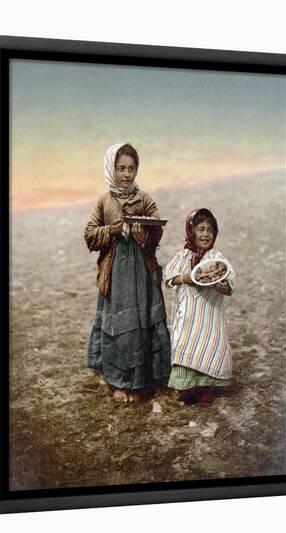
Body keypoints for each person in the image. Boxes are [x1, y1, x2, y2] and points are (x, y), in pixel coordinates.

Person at [84, 143, 171, 403]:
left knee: (142, 323)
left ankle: (142, 380)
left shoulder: (144, 198)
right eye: (120, 168)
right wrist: (110, 230)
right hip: (116, 276)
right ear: (112, 169)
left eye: (131, 168)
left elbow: (157, 233)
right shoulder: (103, 201)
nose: (126, 174)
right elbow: (89, 236)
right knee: (120, 326)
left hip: (142, 273)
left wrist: (144, 234)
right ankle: (118, 381)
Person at [165, 208, 236, 405]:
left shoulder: (217, 257)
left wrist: (223, 286)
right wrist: (185, 278)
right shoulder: (183, 256)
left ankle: (205, 388)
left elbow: (229, 281)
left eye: (210, 230)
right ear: (191, 231)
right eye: (201, 229)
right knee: (186, 346)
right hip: (187, 313)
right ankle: (185, 386)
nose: (206, 234)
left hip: (209, 314)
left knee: (209, 346)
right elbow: (168, 277)